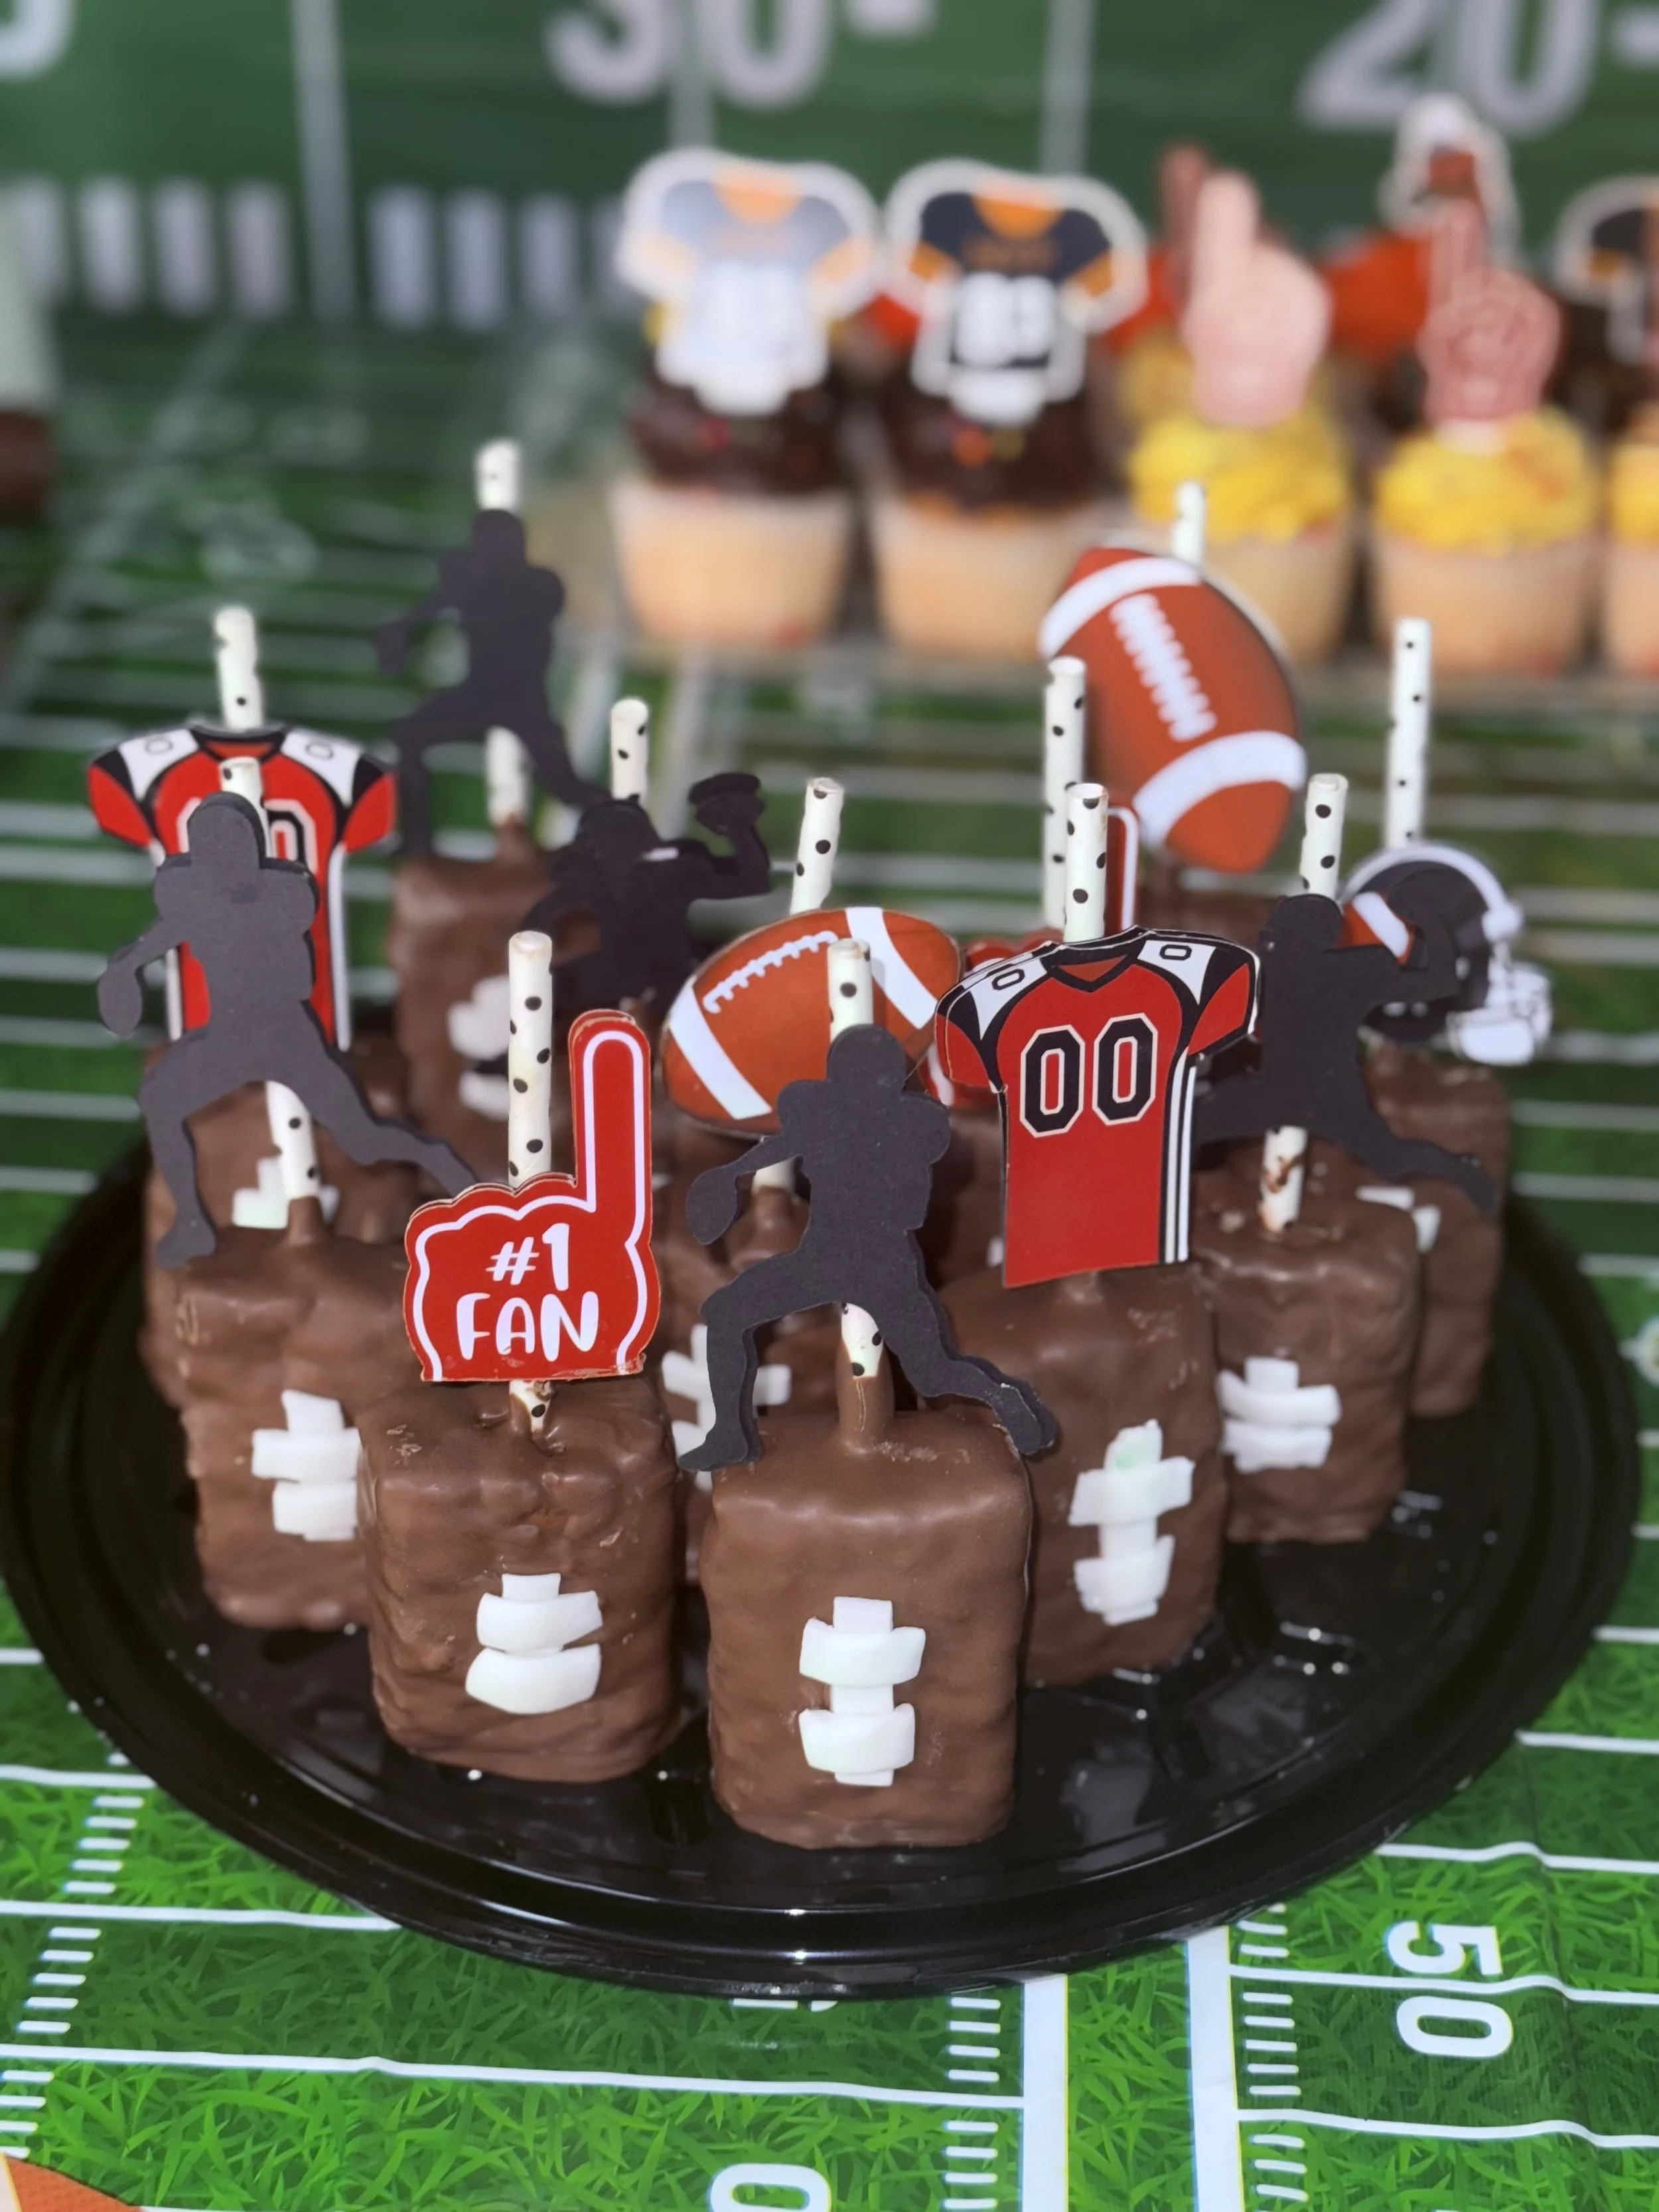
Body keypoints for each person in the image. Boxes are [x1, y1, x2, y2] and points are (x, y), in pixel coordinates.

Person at [98, 795, 473, 1266]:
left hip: (286, 1036)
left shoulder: (282, 894)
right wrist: (124, 968)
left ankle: (443, 1164)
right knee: (162, 1101)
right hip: (227, 1037)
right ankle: (192, 1219)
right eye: (211, 848)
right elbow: (158, 938)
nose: (222, 859)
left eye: (230, 846)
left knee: (363, 1140)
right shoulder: (194, 898)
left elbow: (293, 968)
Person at [680, 1024, 1055, 1471]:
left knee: (933, 1373)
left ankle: (1004, 1396)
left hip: (883, 1265)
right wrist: (733, 1173)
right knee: (726, 1313)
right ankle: (729, 1434)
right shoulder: (831, 1120)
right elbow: (786, 1142)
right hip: (823, 1258)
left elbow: (825, 1140)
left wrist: (738, 1172)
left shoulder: (907, 1126)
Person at [1196, 893, 1496, 1211]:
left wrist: (1431, 923)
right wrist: (1432, 925)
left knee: (1389, 1159)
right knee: (1194, 1127)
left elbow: (1439, 984)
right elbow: (1440, 981)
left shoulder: (1326, 969)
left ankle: (1461, 1171)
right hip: (1283, 1089)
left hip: (1326, 1095)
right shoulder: (1291, 967)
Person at [374, 510, 604, 853]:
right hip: (480, 693)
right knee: (409, 737)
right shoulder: (476, 583)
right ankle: (418, 840)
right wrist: (399, 634)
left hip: (523, 700)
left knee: (565, 786)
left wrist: (462, 580)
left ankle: (622, 829)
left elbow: (520, 602)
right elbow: (422, 614)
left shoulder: (537, 585)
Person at [521, 771, 770, 1016]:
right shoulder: (673, 872)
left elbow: (536, 924)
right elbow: (752, 881)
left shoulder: (587, 879)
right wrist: (739, 828)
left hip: (630, 983)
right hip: (666, 982)